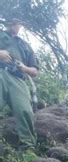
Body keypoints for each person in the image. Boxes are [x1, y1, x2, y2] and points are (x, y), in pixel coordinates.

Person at [0, 17, 38, 149]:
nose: (14, 24)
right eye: (12, 20)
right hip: (0, 72)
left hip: (19, 78)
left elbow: (35, 71)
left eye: (17, 22)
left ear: (20, 25)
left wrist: (25, 68)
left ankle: (28, 147)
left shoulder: (25, 45)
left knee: (25, 111)